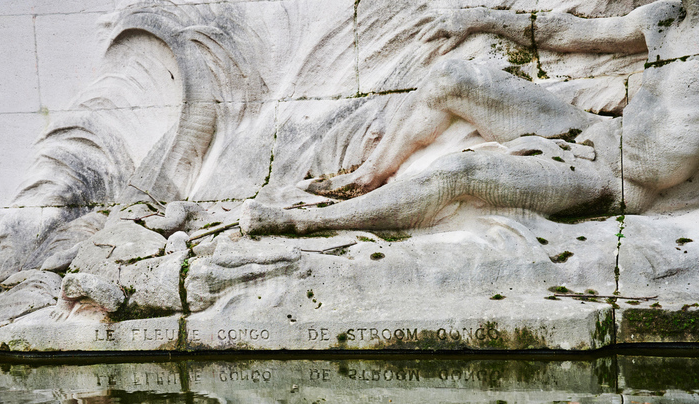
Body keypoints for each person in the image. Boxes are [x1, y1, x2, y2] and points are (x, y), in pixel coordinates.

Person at [240, 0, 699, 234]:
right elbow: (568, 31)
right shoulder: (664, 15)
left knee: (463, 171)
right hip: (596, 135)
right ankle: (368, 176)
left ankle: (307, 224)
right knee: (452, 77)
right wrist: (479, 17)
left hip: (619, 184)